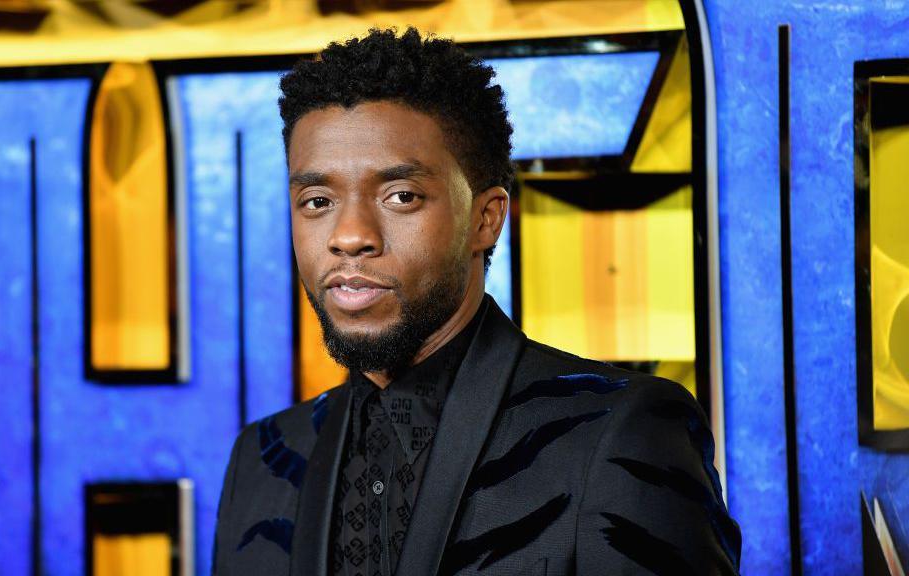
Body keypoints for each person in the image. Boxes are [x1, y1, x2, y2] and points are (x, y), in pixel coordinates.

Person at [213, 27, 740, 576]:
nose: (350, 236)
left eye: (400, 196)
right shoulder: (263, 459)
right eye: (317, 200)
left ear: (485, 219)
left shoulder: (621, 432)